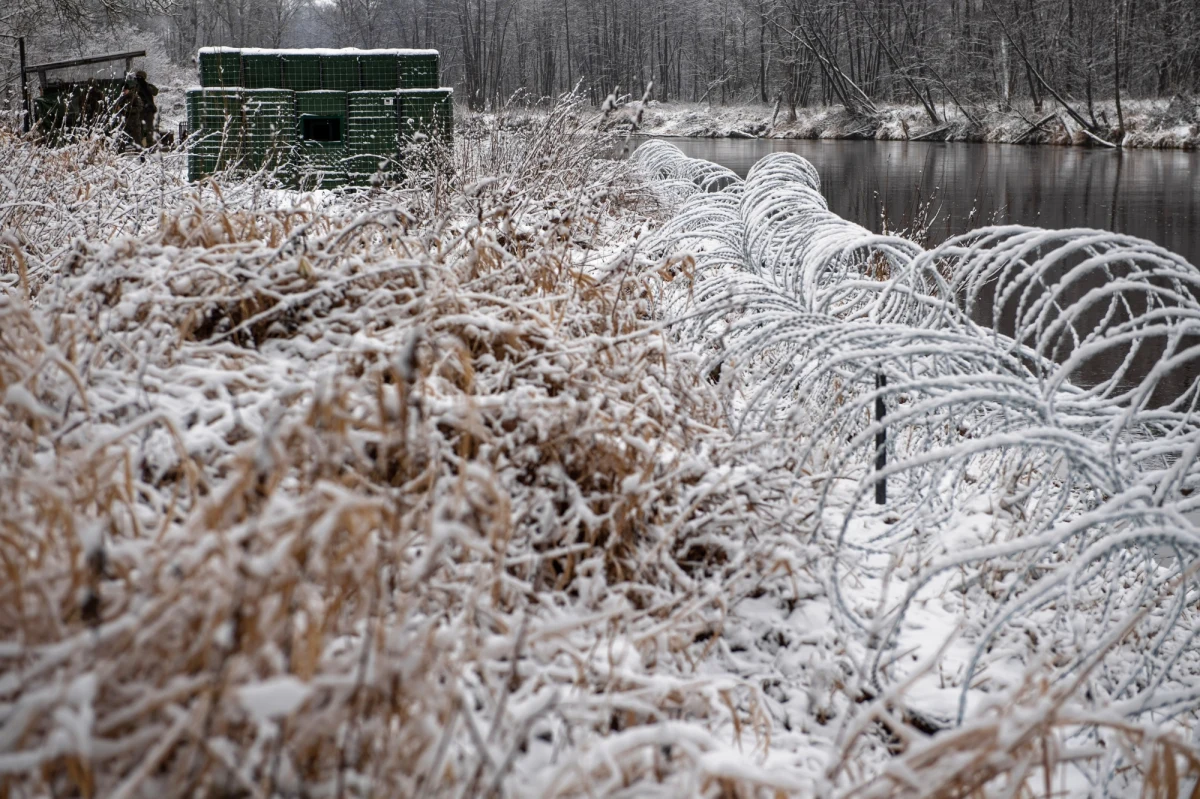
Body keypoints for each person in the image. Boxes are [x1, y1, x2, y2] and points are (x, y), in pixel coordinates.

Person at [116, 78, 144, 150]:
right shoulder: (122, 98)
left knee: (138, 141)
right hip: (125, 123)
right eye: (123, 90)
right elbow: (119, 109)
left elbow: (140, 108)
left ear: (128, 89)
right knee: (121, 140)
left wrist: (128, 109)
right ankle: (120, 155)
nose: (124, 92)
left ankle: (142, 157)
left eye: (125, 90)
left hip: (134, 122)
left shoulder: (135, 97)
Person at [134, 70, 158, 146]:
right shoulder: (139, 87)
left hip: (144, 110)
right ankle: (147, 144)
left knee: (144, 128)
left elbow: (155, 91)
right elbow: (155, 91)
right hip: (144, 110)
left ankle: (144, 145)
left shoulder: (140, 87)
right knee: (147, 128)